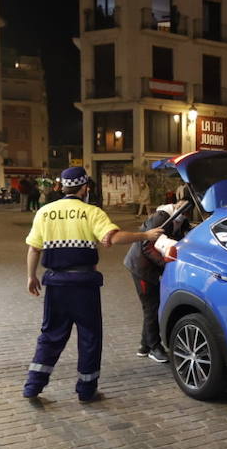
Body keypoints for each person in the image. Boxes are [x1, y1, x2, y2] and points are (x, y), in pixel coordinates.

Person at [22, 166, 163, 401]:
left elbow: (33, 248)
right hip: (84, 286)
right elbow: (113, 238)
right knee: (89, 336)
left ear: (63, 187)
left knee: (50, 335)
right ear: (85, 188)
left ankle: (32, 386)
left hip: (56, 284)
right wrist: (146, 236)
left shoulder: (44, 212)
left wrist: (31, 276)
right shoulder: (92, 213)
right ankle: (86, 390)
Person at [124, 185, 192, 362]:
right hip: (142, 267)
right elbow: (147, 246)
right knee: (152, 307)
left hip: (152, 268)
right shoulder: (162, 217)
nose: (186, 210)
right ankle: (155, 347)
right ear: (177, 203)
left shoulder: (182, 219)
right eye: (184, 205)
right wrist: (166, 266)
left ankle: (144, 345)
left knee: (152, 306)